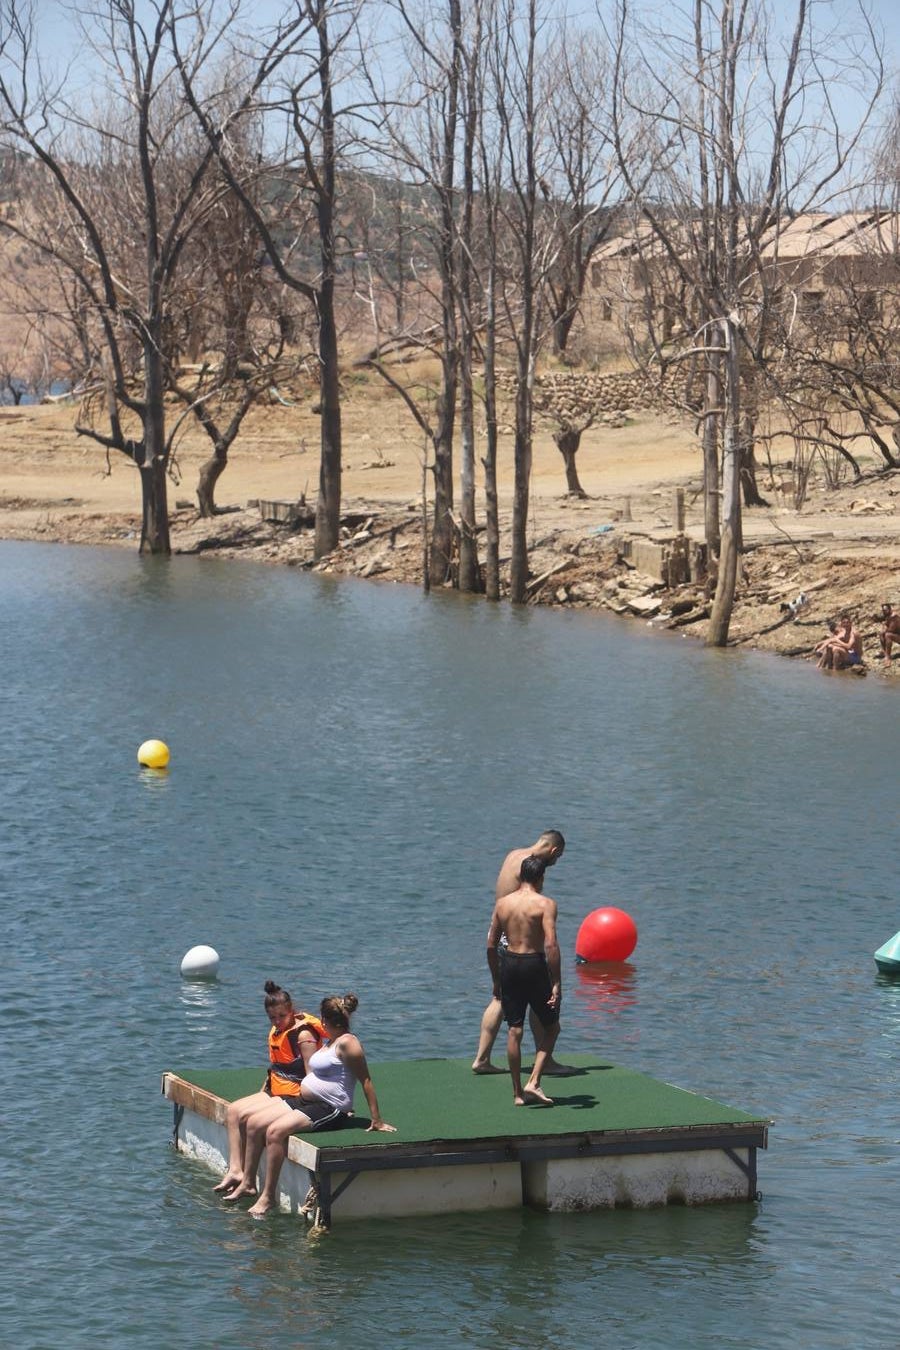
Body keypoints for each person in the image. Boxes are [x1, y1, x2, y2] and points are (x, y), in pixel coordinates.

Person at [241, 993, 395, 1218]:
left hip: (329, 1108)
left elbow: (366, 1080)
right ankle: (247, 1183)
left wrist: (376, 1119)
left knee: (275, 1132)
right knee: (255, 1121)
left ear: (324, 1020)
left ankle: (268, 1197)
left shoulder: (348, 1043)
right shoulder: (331, 1041)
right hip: (307, 1101)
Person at [472, 829, 572, 1076]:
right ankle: (545, 1061)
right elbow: (528, 905)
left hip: (500, 925)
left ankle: (482, 1059)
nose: (555, 863)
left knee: (500, 997)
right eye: (557, 859)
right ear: (554, 851)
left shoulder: (514, 854)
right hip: (516, 936)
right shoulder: (530, 866)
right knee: (541, 995)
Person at [213, 980, 325, 1197]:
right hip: (276, 1088)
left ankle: (248, 1181)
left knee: (250, 1118)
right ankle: (236, 1170)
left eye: (281, 1016)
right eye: (272, 1018)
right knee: (234, 1110)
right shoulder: (279, 1029)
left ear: (291, 1010)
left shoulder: (303, 1034)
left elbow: (312, 1075)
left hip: (294, 1093)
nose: (277, 1021)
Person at [487, 854, 562, 1106]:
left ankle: (517, 1093)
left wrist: (496, 978)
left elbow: (490, 944)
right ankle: (534, 1081)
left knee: (514, 1030)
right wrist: (556, 982)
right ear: (541, 878)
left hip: (509, 964)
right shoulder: (545, 904)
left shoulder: (502, 904)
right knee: (552, 1028)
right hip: (533, 964)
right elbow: (550, 944)